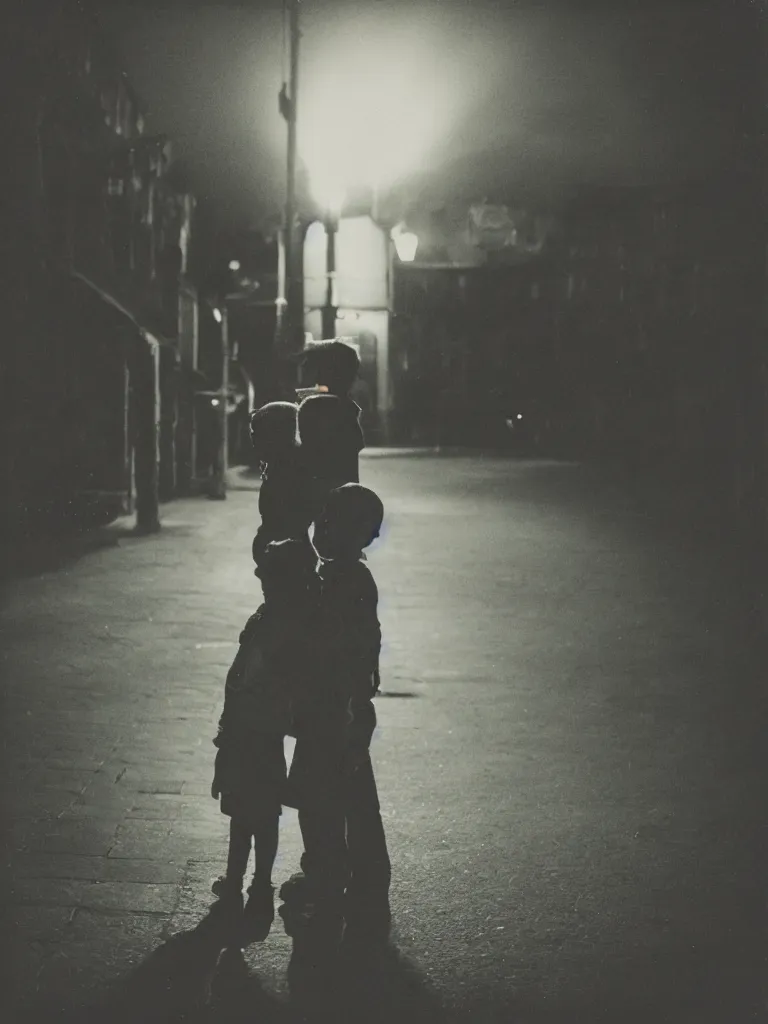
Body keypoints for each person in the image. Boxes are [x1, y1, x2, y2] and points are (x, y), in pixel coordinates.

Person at [281, 484, 391, 934]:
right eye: (322, 519)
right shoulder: (340, 575)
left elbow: (346, 651)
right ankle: (357, 879)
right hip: (337, 711)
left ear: (361, 536)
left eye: (333, 522)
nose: (321, 528)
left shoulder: (346, 582)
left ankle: (330, 882)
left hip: (335, 712)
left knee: (325, 799)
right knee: (347, 797)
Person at [211, 539, 319, 945]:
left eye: (269, 570)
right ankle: (242, 880)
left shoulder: (286, 623)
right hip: (247, 729)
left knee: (258, 814)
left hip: (259, 731)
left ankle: (258, 882)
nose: (259, 576)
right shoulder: (269, 615)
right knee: (246, 811)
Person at [295, 340, 365, 513]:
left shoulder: (317, 407)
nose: (303, 366)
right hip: (342, 495)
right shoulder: (346, 407)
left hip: (323, 494)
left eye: (309, 363)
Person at [248, 401, 314, 569]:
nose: (254, 442)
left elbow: (290, 523)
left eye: (259, 434)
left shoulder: (291, 471)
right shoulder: (279, 466)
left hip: (287, 560)